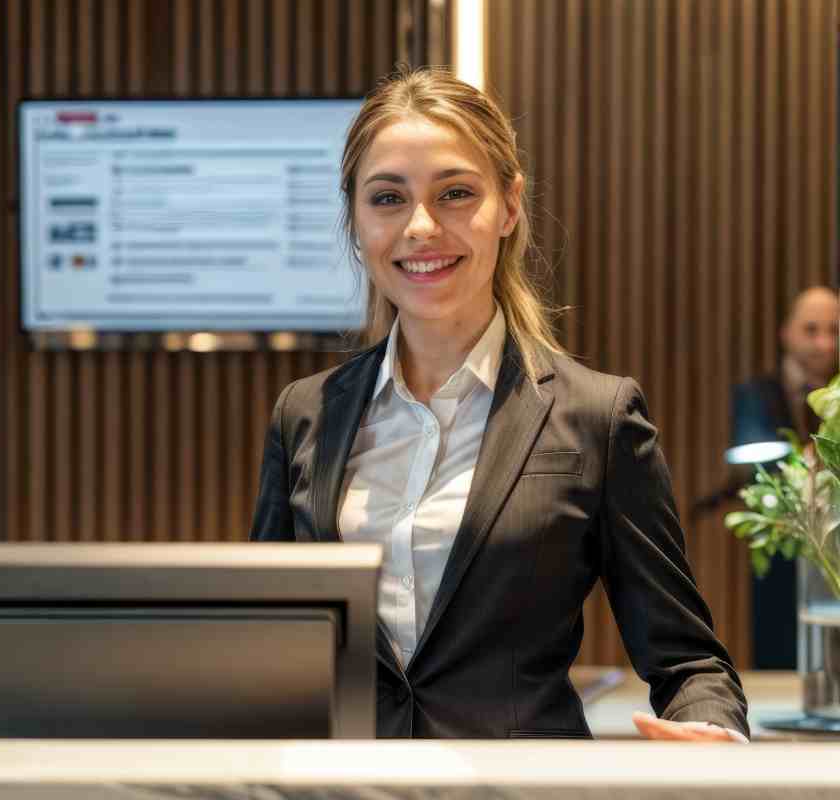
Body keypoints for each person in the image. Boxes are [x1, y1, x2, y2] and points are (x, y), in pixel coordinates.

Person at [249, 67, 748, 740]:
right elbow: (264, 640)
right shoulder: (304, 415)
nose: (421, 227)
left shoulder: (597, 418)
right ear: (357, 220)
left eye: (456, 194)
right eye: (388, 198)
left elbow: (688, 662)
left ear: (509, 206)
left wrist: (712, 734)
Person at [732, 286, 839, 669]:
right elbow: (752, 467)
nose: (824, 343)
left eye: (834, 330)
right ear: (787, 333)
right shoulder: (755, 394)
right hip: (782, 560)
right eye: (811, 330)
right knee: (776, 656)